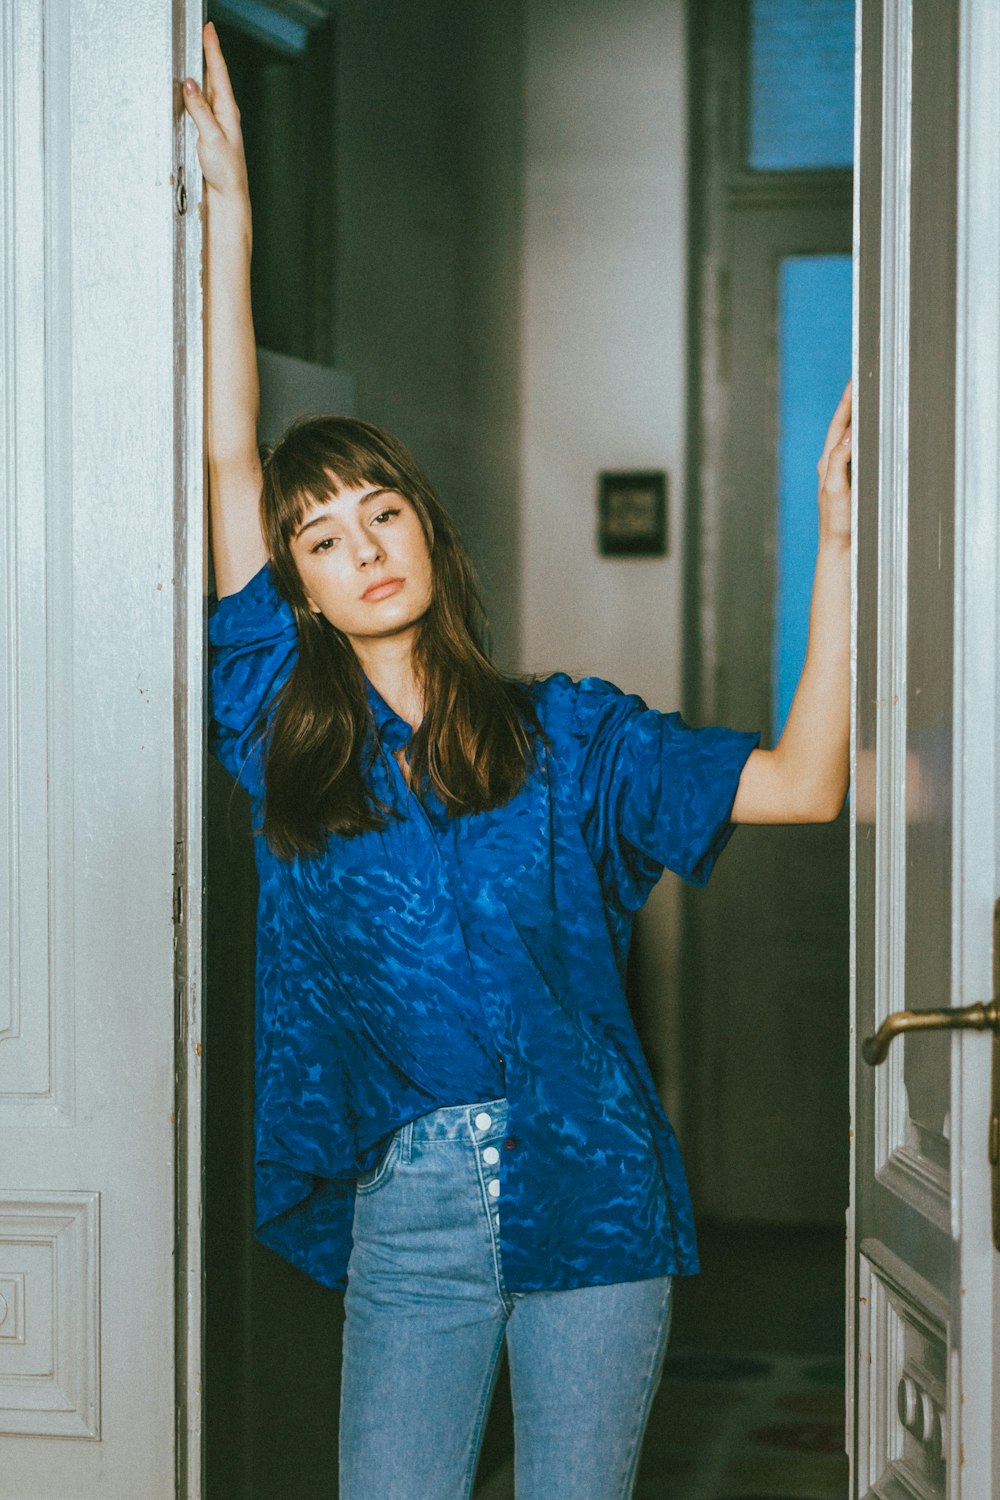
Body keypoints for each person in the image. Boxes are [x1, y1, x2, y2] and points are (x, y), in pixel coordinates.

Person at [184, 21, 852, 1500]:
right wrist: (232, 220)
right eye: (320, 538)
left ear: (428, 526)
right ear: (292, 582)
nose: (358, 550)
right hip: (409, 1219)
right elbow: (231, 458)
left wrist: (846, 548)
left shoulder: (573, 733)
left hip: (597, 1195)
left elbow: (809, 781)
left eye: (381, 515)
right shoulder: (276, 733)